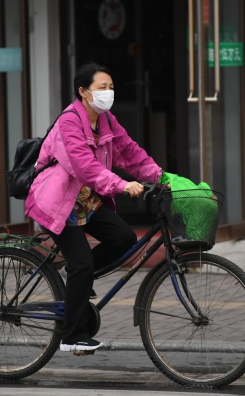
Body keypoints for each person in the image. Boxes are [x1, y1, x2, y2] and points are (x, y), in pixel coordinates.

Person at [24, 62, 163, 353]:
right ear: (84, 92)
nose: (108, 92)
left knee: (123, 238)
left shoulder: (107, 120)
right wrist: (122, 185)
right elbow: (84, 167)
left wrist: (160, 176)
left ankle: (75, 279)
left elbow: (130, 153)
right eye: (102, 87)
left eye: (111, 87)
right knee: (83, 264)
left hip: (85, 201)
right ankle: (72, 335)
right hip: (57, 201)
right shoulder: (69, 122)